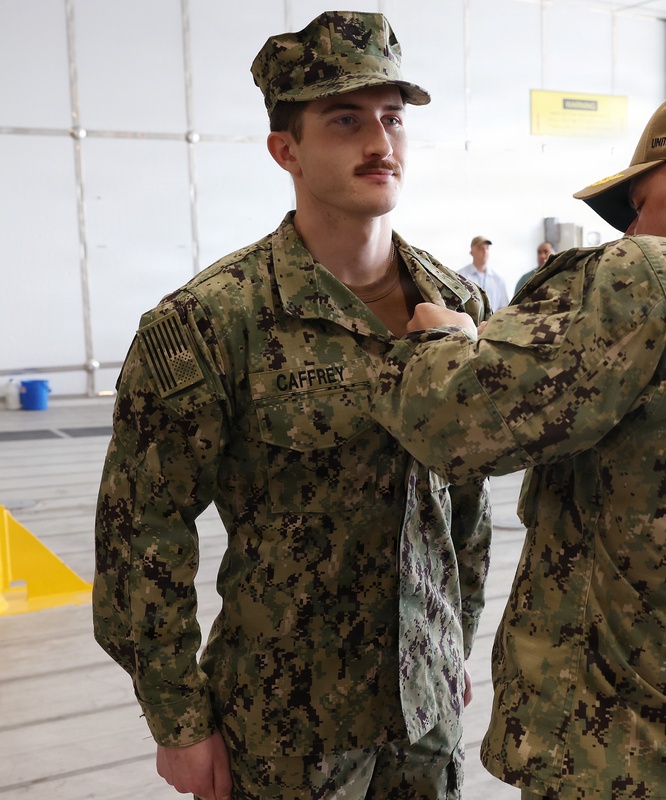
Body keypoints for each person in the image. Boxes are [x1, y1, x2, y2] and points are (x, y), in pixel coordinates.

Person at [371, 84, 666, 799]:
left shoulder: (652, 275)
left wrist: (442, 341)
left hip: (625, 761)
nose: (632, 231)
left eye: (639, 206)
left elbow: (447, 420)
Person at [92, 11, 491, 800]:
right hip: (284, 731)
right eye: (345, 120)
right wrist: (178, 719)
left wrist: (453, 643)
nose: (379, 142)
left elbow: (469, 507)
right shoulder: (213, 321)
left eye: (392, 118)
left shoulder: (457, 306)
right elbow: (141, 532)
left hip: (425, 719)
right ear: (287, 150)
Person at [459, 235, 509, 308]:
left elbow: (504, 307)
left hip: (494, 315)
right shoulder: (460, 276)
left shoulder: (498, 280)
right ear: (472, 252)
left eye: (487, 248)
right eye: (481, 248)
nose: (485, 251)